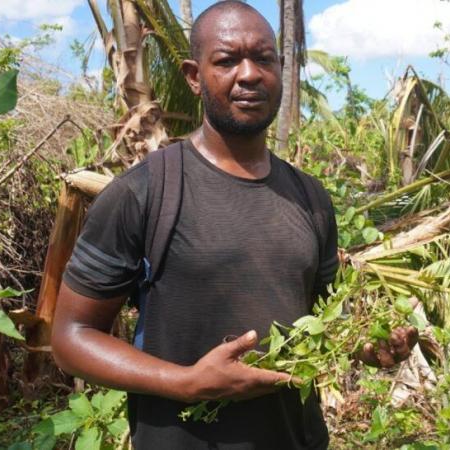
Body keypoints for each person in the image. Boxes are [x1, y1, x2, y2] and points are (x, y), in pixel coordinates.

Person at [51, 1, 418, 449]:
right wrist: (187, 383)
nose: (249, 74)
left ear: (280, 70)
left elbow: (322, 322)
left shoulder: (310, 198)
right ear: (193, 76)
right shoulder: (144, 192)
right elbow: (71, 339)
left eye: (263, 59)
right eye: (226, 61)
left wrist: (365, 344)